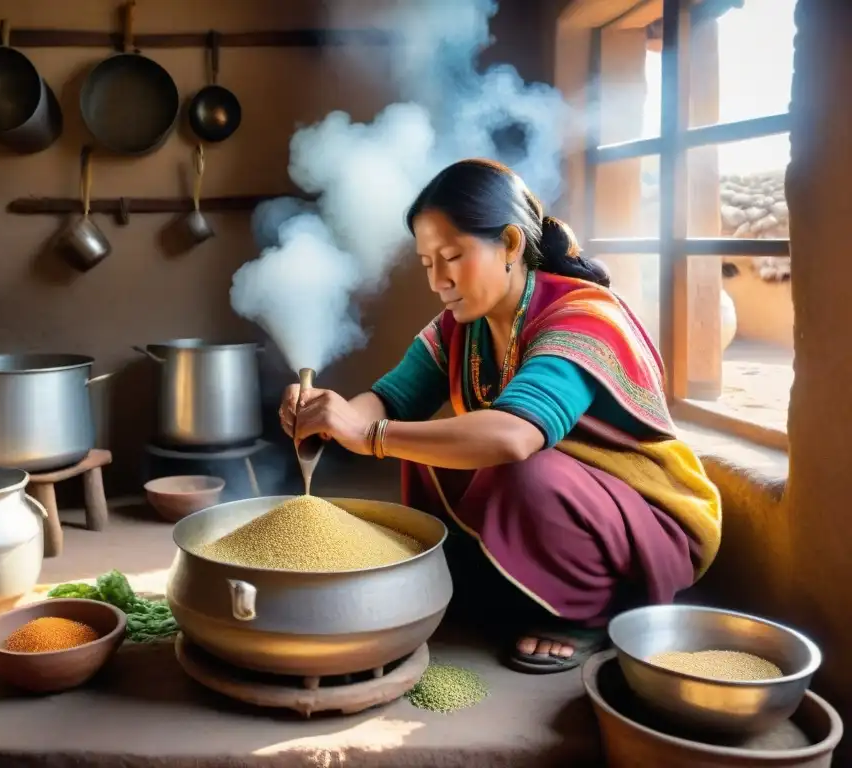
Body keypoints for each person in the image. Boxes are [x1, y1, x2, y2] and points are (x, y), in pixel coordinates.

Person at [279, 159, 721, 675]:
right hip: (563, 511)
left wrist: (369, 435)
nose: (438, 279)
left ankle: (590, 614)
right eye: (426, 262)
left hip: (646, 522)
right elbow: (391, 400)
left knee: (519, 467)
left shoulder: (583, 316)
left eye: (453, 256)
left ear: (511, 244)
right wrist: (329, 414)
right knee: (427, 447)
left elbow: (514, 437)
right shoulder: (458, 326)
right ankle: (505, 587)